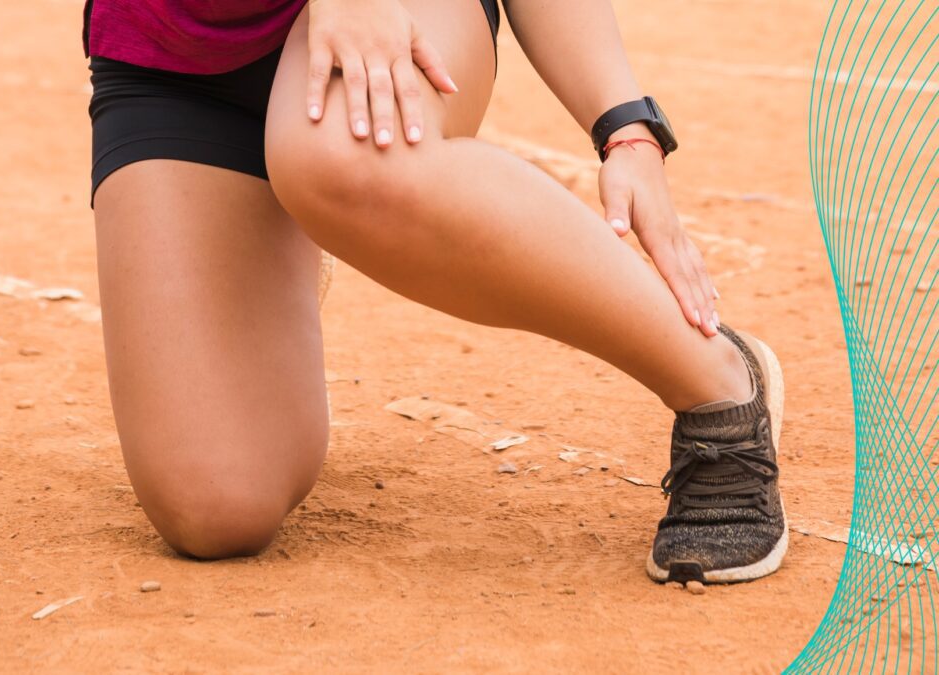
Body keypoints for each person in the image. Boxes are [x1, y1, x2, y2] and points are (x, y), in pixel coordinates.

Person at [83, 0, 787, 584]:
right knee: (216, 503)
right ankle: (291, 210)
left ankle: (719, 382)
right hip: (174, 52)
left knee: (341, 154)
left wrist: (625, 127)